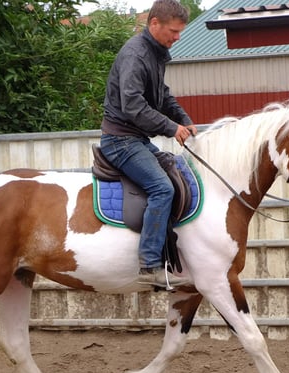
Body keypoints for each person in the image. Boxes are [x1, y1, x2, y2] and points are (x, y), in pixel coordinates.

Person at [100, 0, 197, 290]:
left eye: (180, 32)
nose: (177, 37)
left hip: (137, 139)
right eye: (173, 31)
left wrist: (183, 119)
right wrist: (171, 128)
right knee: (162, 188)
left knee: (177, 174)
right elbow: (133, 106)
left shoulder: (155, 53)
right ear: (154, 24)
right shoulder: (135, 54)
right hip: (120, 141)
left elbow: (162, 96)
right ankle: (149, 264)